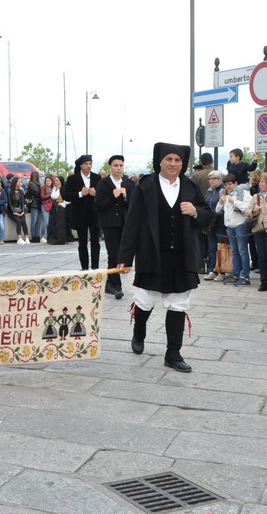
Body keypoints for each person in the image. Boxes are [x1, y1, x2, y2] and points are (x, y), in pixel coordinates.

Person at [118, 142, 213, 373]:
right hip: (152, 254)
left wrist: (196, 212)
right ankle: (139, 332)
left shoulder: (190, 186)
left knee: (178, 305)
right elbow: (132, 223)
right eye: (168, 159)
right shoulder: (146, 186)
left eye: (178, 160)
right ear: (159, 161)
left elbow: (209, 217)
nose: (173, 164)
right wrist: (125, 258)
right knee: (144, 300)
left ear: (183, 163)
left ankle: (173, 353)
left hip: (183, 256)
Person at [96, 154, 134, 299]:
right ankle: (117, 285)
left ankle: (109, 281)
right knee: (113, 254)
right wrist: (113, 196)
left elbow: (132, 204)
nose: (118, 168)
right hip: (110, 224)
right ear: (110, 167)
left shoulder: (128, 183)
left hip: (124, 224)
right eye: (115, 165)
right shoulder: (103, 184)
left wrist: (125, 197)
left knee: (122, 253)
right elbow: (99, 205)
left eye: (121, 165)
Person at [64, 154, 102, 270]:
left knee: (95, 241)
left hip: (94, 214)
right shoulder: (73, 178)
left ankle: (95, 267)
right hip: (80, 215)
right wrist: (80, 194)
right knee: (82, 242)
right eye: (86, 164)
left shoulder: (97, 178)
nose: (88, 166)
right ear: (80, 165)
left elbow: (103, 195)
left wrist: (95, 194)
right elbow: (66, 195)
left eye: (90, 163)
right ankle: (84, 267)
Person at [216, 173, 252, 286]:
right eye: (226, 185)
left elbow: (248, 208)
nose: (228, 187)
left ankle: (245, 276)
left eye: (230, 184)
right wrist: (221, 202)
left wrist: (234, 201)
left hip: (240, 225)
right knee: (235, 252)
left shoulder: (244, 194)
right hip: (230, 226)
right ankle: (236, 274)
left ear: (236, 183)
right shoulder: (225, 195)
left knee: (243, 251)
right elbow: (217, 210)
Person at [47, 175, 69, 245]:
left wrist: (63, 203)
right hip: (54, 207)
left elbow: (69, 199)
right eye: (55, 181)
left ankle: (61, 238)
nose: (55, 182)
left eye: (57, 181)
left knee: (60, 224)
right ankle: (53, 238)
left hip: (61, 208)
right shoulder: (54, 188)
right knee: (53, 223)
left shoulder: (63, 189)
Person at [8, 175, 30, 245]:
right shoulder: (9, 191)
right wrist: (14, 212)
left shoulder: (21, 191)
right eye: (19, 182)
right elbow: (9, 203)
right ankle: (19, 237)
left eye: (21, 182)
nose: (20, 183)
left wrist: (23, 211)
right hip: (12, 211)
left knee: (23, 221)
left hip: (20, 209)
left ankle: (26, 237)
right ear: (15, 183)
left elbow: (22, 202)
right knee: (18, 221)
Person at [26, 170, 43, 243]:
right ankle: (34, 236)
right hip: (34, 204)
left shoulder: (36, 184)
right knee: (34, 221)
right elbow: (36, 193)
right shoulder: (32, 184)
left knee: (38, 221)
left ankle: (36, 235)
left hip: (38, 203)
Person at [39, 174, 54, 244]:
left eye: (49, 181)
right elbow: (42, 197)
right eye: (47, 181)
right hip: (45, 205)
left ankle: (49, 236)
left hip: (51, 205)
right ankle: (42, 236)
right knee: (46, 221)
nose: (48, 182)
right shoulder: (43, 188)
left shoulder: (53, 187)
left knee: (51, 221)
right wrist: (51, 194)